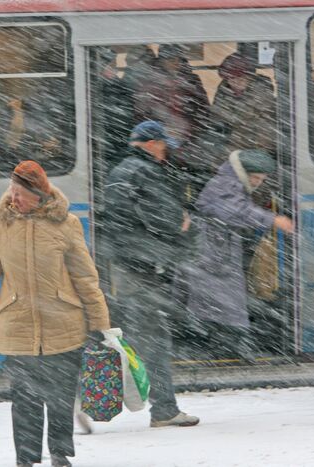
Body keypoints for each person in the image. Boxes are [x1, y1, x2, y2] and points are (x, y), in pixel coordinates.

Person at [0, 161, 111, 467]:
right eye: (12, 191)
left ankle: (59, 454)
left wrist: (100, 323)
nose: (14, 199)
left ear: (40, 194)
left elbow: (85, 278)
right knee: (24, 400)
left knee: (59, 398)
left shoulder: (66, 224)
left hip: (63, 324)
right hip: (18, 326)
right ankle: (25, 460)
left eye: (21, 194)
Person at [103, 120, 199, 428]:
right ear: (151, 143)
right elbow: (167, 218)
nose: (165, 151)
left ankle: (88, 393)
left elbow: (123, 218)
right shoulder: (145, 172)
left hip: (126, 263)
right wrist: (182, 222)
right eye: (163, 144)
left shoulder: (119, 172)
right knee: (153, 337)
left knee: (130, 335)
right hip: (142, 267)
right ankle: (164, 410)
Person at [184, 149, 294, 360]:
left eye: (261, 179)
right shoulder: (226, 184)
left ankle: (227, 345)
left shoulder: (229, 182)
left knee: (222, 302)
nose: (257, 183)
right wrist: (273, 220)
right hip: (214, 253)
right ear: (243, 172)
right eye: (255, 178)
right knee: (225, 302)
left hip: (217, 251)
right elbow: (236, 212)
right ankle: (229, 348)